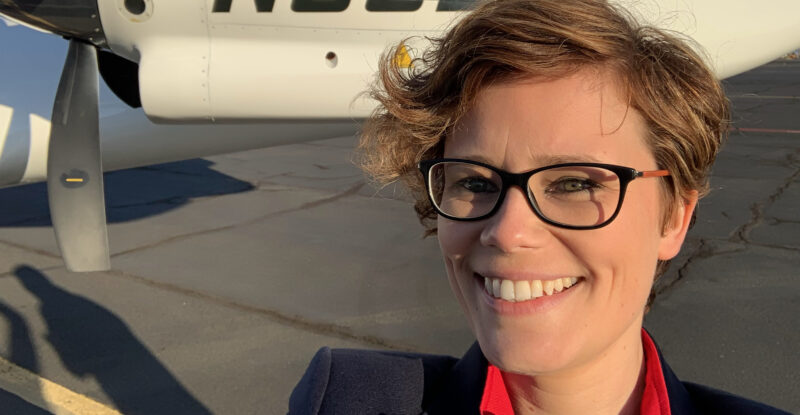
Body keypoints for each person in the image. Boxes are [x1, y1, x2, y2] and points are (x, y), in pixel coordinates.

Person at [289, 0, 791, 414]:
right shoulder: (344, 399)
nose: (508, 232)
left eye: (573, 183)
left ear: (674, 217)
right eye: (475, 181)